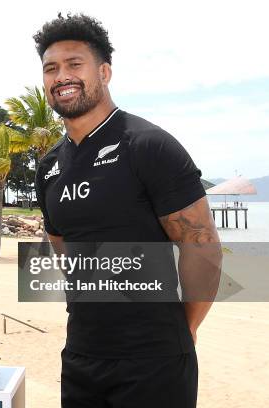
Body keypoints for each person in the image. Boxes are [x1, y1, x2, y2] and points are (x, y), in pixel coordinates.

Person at [33, 13, 221, 408]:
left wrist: (182, 331)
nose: (61, 76)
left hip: (154, 362)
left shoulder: (149, 146)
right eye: (51, 69)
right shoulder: (49, 166)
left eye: (74, 64)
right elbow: (61, 243)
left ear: (104, 72)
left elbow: (200, 243)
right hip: (81, 356)